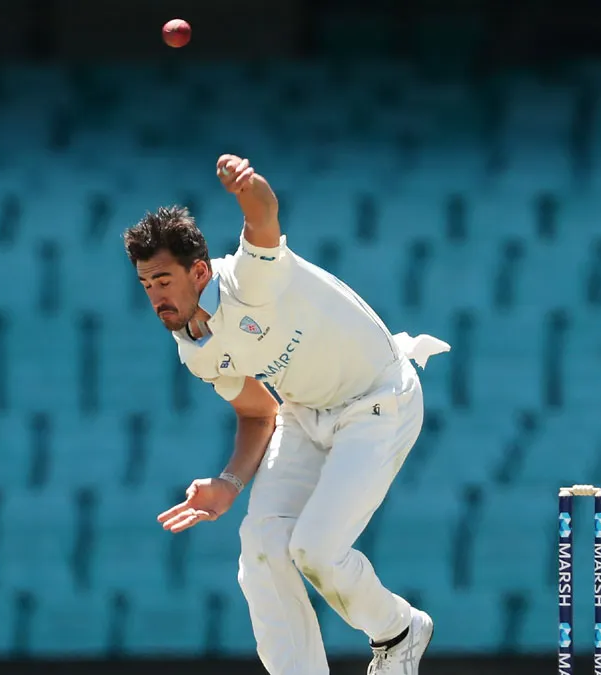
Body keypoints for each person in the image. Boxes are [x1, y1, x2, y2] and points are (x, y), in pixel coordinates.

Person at [122, 154, 450, 675]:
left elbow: (263, 215)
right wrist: (229, 483)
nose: (155, 297)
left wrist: (246, 185)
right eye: (146, 286)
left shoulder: (250, 279)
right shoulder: (194, 346)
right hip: (305, 412)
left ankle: (398, 631)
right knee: (260, 547)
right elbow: (258, 412)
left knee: (315, 550)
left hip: (379, 400)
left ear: (199, 271)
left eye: (163, 280)